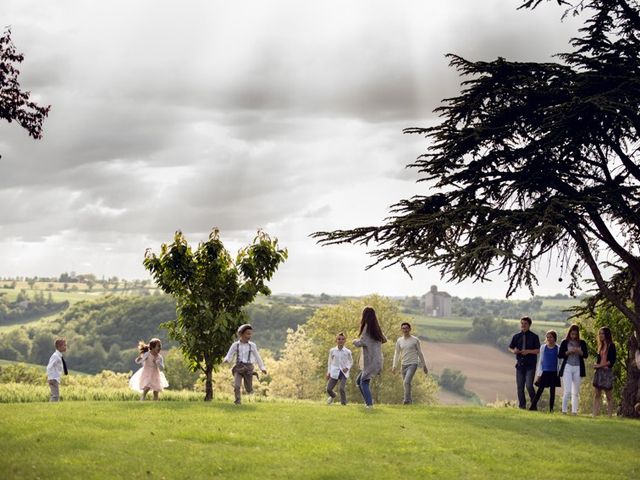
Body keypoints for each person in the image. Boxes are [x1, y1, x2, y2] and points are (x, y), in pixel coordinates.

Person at [223, 324, 267, 405]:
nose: (249, 336)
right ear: (241, 334)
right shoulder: (235, 345)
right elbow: (229, 354)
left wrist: (262, 368)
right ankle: (237, 401)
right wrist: (226, 360)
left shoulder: (252, 345)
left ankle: (252, 382)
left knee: (249, 389)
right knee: (236, 386)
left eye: (250, 334)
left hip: (248, 368)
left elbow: (258, 357)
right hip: (238, 368)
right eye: (247, 333)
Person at [353, 307, 387, 408]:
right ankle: (368, 401)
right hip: (377, 359)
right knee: (359, 381)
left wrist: (354, 341)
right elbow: (384, 340)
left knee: (364, 382)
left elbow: (361, 343)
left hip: (370, 360)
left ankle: (369, 404)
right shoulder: (376, 328)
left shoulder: (366, 328)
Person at [391, 322, 428, 404]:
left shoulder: (415, 340)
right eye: (403, 328)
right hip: (403, 364)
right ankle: (410, 400)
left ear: (410, 329)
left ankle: (406, 400)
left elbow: (420, 353)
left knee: (406, 382)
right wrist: (394, 366)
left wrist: (424, 365)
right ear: (401, 330)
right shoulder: (399, 340)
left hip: (413, 363)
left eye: (406, 328)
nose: (405, 330)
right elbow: (396, 353)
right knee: (406, 384)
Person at [508, 316, 541, 409]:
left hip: (530, 365)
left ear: (529, 325)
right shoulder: (516, 336)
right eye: (522, 323)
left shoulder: (534, 337)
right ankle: (522, 406)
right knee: (520, 387)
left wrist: (528, 351)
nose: (523, 325)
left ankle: (534, 405)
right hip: (520, 365)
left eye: (525, 324)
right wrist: (513, 351)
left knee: (529, 385)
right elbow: (510, 347)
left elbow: (538, 350)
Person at [558, 324, 589, 415]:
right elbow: (560, 355)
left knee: (575, 391)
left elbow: (586, 355)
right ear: (569, 333)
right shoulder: (565, 342)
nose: (574, 336)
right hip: (567, 366)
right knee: (567, 390)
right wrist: (568, 352)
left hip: (578, 367)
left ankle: (574, 411)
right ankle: (564, 411)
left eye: (575, 334)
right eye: (572, 334)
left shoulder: (582, 343)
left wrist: (579, 352)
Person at [530, 330, 561, 412]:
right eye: (547, 337)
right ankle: (532, 406)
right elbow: (541, 361)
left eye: (551, 337)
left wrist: (559, 373)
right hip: (545, 372)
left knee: (552, 391)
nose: (549, 339)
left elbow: (560, 362)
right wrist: (539, 373)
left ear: (554, 338)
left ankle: (551, 409)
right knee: (540, 390)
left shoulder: (558, 348)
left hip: (554, 373)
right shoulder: (543, 347)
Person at [592, 326, 617, 417]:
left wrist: (600, 365)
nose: (600, 335)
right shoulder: (601, 346)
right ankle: (594, 415)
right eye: (599, 333)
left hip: (607, 373)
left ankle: (609, 416)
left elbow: (611, 361)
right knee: (597, 395)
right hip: (599, 372)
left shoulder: (612, 346)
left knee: (609, 396)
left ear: (606, 334)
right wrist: (596, 365)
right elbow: (600, 360)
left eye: (602, 333)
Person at [326, 332, 353, 405]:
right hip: (334, 371)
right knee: (328, 389)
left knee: (341, 388)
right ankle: (333, 396)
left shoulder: (348, 352)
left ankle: (343, 404)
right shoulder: (332, 351)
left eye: (342, 339)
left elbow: (351, 361)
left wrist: (347, 368)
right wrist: (328, 372)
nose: (341, 340)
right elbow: (329, 362)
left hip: (343, 373)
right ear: (336, 340)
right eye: (339, 339)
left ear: (345, 341)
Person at [46, 338, 68, 402]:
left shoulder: (59, 356)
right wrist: (51, 377)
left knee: (55, 395)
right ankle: (51, 409)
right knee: (55, 396)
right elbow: (49, 367)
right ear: (59, 347)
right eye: (64, 345)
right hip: (53, 379)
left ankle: (53, 408)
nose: (66, 347)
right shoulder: (55, 356)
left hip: (55, 378)